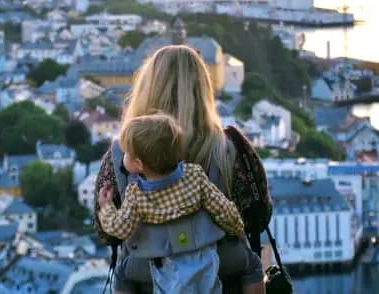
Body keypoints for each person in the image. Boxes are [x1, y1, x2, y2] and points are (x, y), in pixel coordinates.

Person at [93, 45, 268, 294]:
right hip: (219, 273)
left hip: (148, 274)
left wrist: (108, 208)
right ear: (202, 89)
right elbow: (258, 215)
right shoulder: (230, 148)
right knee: (252, 265)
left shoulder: (121, 156)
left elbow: (107, 233)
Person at [97, 113, 246, 293]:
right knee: (250, 268)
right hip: (203, 256)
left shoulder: (136, 194)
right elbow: (222, 209)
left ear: (138, 164)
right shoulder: (194, 176)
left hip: (163, 265)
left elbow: (121, 228)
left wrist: (106, 208)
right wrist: (237, 228)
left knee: (121, 275)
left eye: (127, 153)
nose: (124, 157)